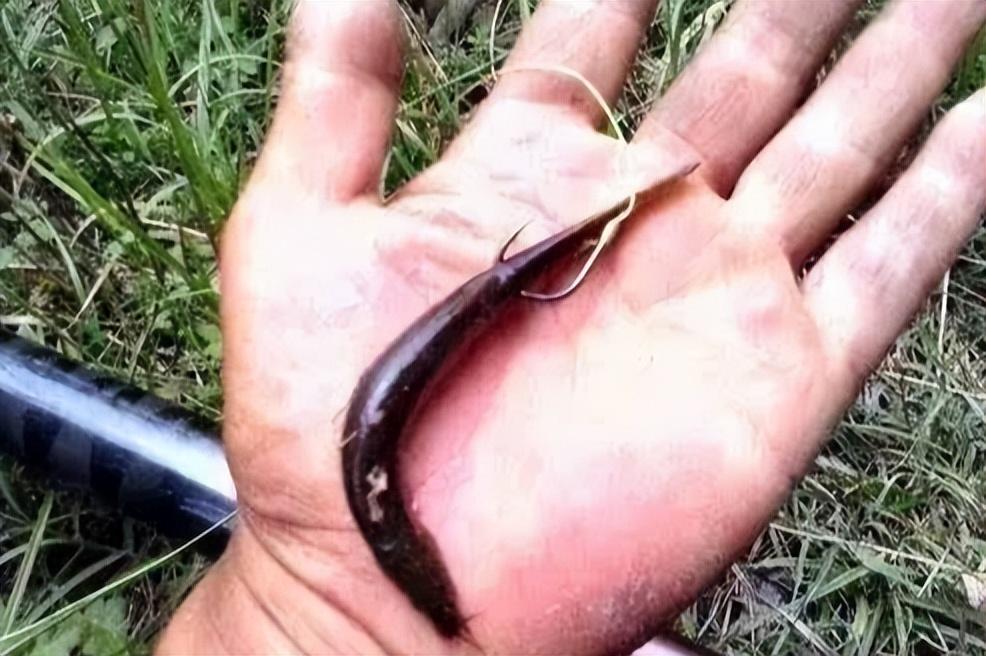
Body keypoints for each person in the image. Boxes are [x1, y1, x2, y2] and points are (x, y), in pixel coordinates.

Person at [156, 0, 986, 653]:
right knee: (496, 295)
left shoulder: (372, 514)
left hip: (480, 316)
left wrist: (313, 626)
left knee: (498, 293)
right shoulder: (374, 532)